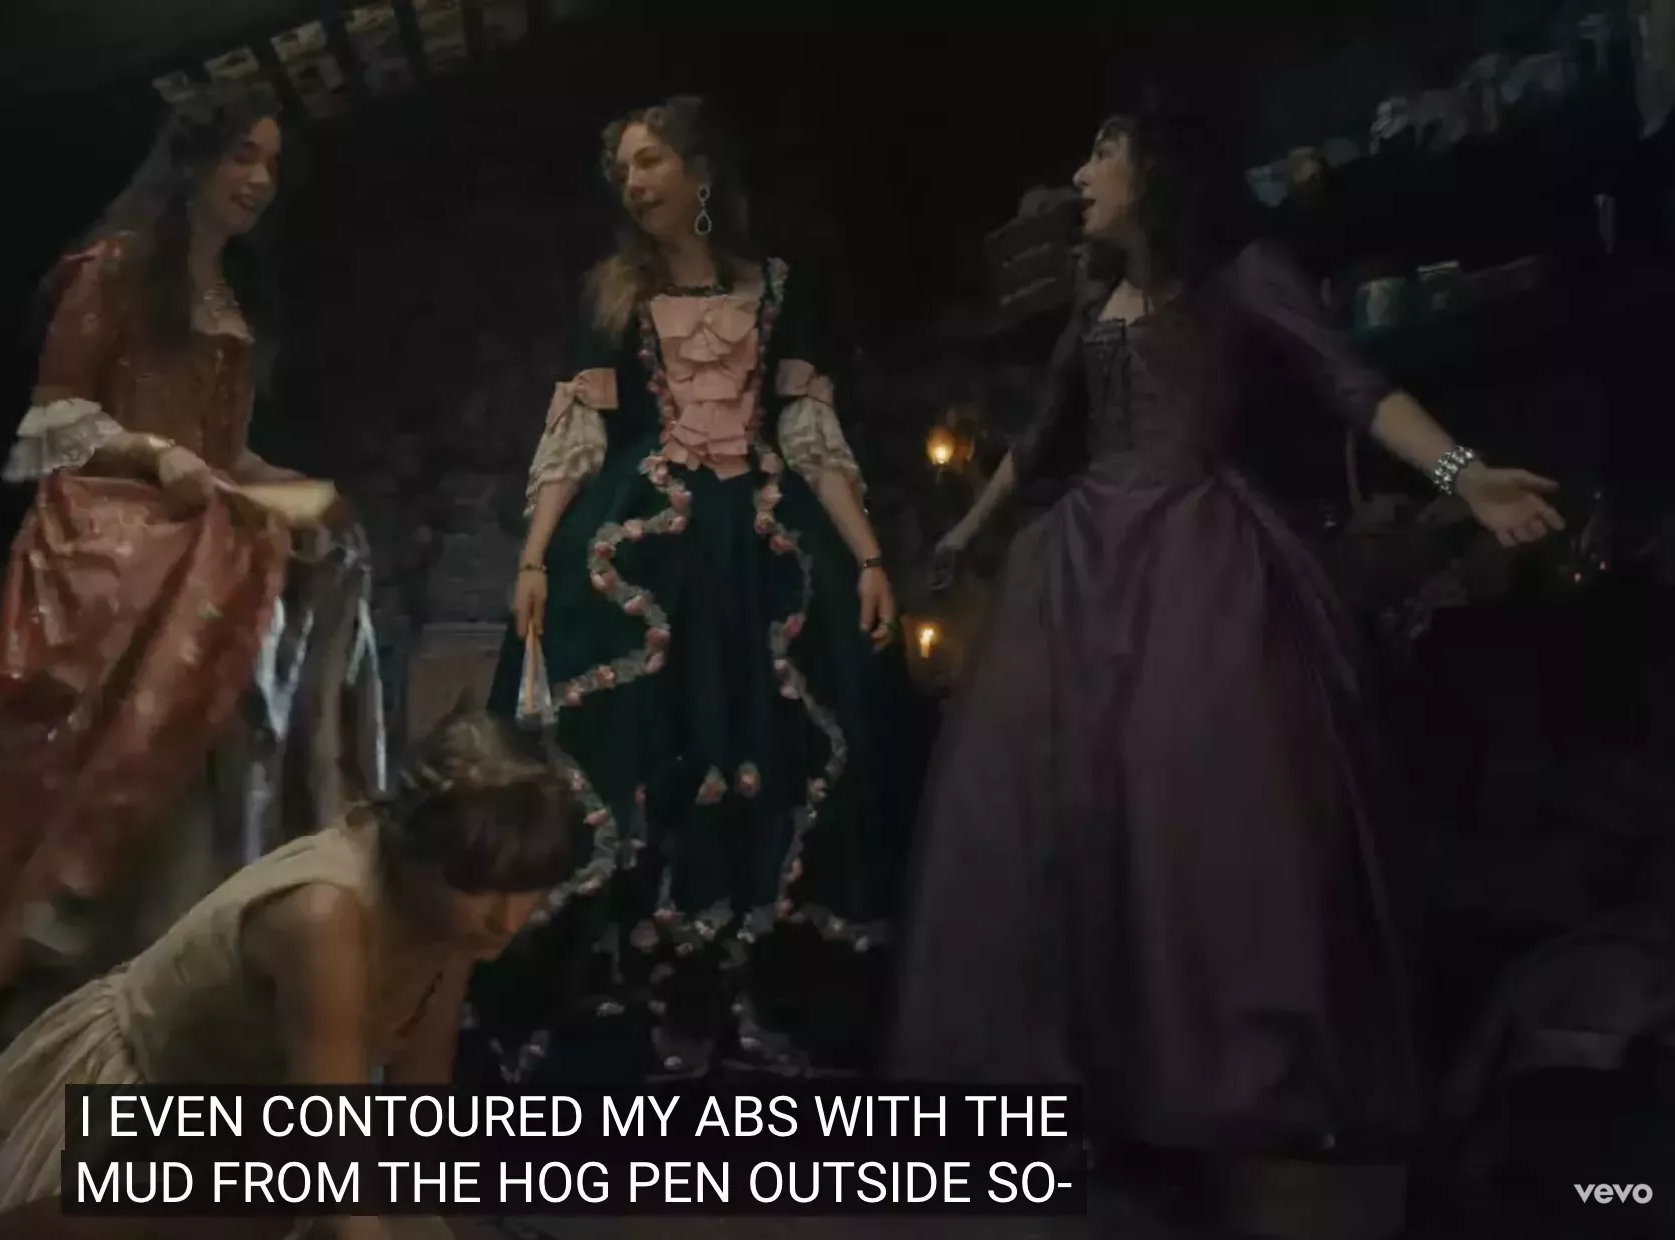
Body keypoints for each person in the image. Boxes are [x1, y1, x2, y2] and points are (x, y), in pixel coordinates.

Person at [887, 96, 1565, 1235]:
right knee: (1072, 826)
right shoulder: (1092, 300)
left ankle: (1205, 1098)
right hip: (1078, 574)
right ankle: (1100, 1101)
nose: (1081, 174)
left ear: (1158, 171)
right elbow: (1045, 435)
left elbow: (1351, 383)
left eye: (1102, 151)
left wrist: (1465, 474)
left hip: (1198, 566)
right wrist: (966, 531)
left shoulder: (1242, 278)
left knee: (1197, 826)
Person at [0, 95, 367, 1092]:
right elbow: (54, 420)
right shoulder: (119, 268)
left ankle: (196, 1010)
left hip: (204, 531)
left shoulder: (232, 295)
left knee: (297, 604)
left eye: (270, 163)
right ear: (194, 161)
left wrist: (300, 491)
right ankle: (73, 1018)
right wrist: (155, 455)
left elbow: (226, 453)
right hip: (116, 532)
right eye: (241, 156)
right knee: (146, 727)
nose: (258, 179)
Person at [473, 96, 905, 1080]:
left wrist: (870, 557)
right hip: (647, 544)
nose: (634, 183)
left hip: (760, 548)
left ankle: (751, 989)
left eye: (650, 161)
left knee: (765, 745)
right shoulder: (612, 295)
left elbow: (809, 430)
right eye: (623, 169)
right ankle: (634, 991)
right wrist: (534, 558)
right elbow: (577, 433)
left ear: (701, 171)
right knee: (635, 751)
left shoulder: (778, 287)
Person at [0, 710, 568, 1240]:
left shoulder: (451, 920)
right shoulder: (324, 916)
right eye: (480, 887)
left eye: (526, 889)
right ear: (415, 853)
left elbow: (417, 1101)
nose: (506, 920)